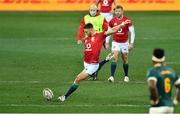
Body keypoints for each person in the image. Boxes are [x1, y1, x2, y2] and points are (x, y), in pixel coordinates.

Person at [58, 21, 130, 102]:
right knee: (80, 79)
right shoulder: (86, 38)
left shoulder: (100, 35)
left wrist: (122, 24)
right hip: (86, 64)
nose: (85, 33)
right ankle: (104, 62)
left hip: (93, 65)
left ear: (91, 29)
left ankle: (64, 96)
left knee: (78, 79)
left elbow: (113, 30)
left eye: (86, 32)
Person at [105, 5, 135, 82]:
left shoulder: (127, 20)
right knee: (114, 58)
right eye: (116, 11)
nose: (117, 12)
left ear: (122, 11)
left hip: (125, 43)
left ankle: (126, 76)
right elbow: (109, 32)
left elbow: (132, 32)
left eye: (119, 11)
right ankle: (111, 76)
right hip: (115, 42)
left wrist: (131, 43)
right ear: (114, 12)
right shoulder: (112, 21)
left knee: (125, 59)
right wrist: (107, 42)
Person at [146, 48, 180, 114]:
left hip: (157, 108)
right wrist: (175, 101)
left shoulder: (153, 71)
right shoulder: (171, 71)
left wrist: (155, 100)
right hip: (169, 107)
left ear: (153, 58)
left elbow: (152, 87)